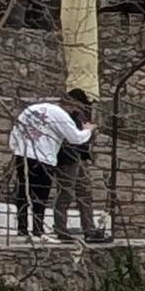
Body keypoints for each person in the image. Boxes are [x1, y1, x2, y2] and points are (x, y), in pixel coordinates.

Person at [7, 88, 82, 240]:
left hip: (23, 155)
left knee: (23, 191)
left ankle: (22, 228)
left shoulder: (29, 110)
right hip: (44, 158)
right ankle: (37, 228)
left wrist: (17, 149)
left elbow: (14, 134)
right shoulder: (60, 115)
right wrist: (88, 130)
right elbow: (75, 138)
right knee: (40, 195)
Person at [50, 89, 95, 241]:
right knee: (66, 193)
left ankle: (89, 229)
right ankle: (61, 229)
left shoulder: (79, 114)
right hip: (67, 158)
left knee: (85, 193)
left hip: (80, 157)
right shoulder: (61, 115)